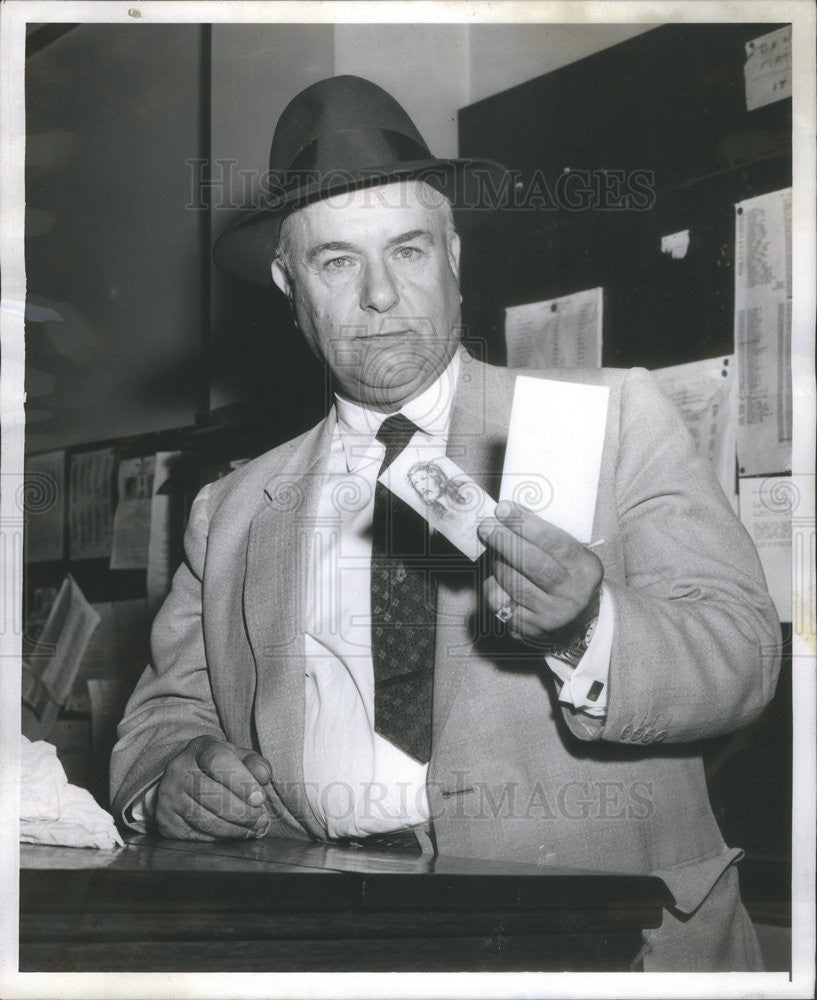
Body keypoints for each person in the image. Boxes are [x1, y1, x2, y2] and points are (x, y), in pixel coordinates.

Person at [110, 75, 781, 971]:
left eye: (409, 250)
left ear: (455, 257)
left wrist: (589, 625)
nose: (380, 296)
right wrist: (170, 776)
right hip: (328, 937)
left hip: (600, 943)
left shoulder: (613, 419)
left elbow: (740, 658)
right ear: (288, 284)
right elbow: (165, 713)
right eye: (337, 261)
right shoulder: (231, 510)